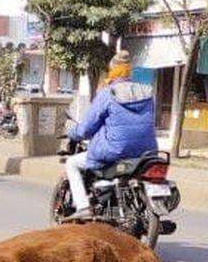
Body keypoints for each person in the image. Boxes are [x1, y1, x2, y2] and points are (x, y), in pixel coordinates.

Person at [63, 53, 156, 221]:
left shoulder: (108, 94)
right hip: (146, 151)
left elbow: (86, 129)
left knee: (72, 163)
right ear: (129, 71)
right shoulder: (147, 92)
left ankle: (83, 207)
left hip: (115, 151)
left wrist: (73, 132)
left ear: (112, 70)